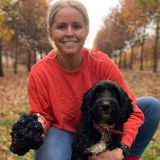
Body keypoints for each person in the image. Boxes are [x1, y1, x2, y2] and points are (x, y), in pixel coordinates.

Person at [28, 0, 160, 160]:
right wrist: (37, 124)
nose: (69, 33)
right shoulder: (40, 72)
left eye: (77, 26)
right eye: (61, 27)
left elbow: (135, 113)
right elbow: (42, 115)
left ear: (86, 30)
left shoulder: (102, 64)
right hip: (63, 132)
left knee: (151, 107)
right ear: (50, 31)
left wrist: (122, 149)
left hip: (102, 127)